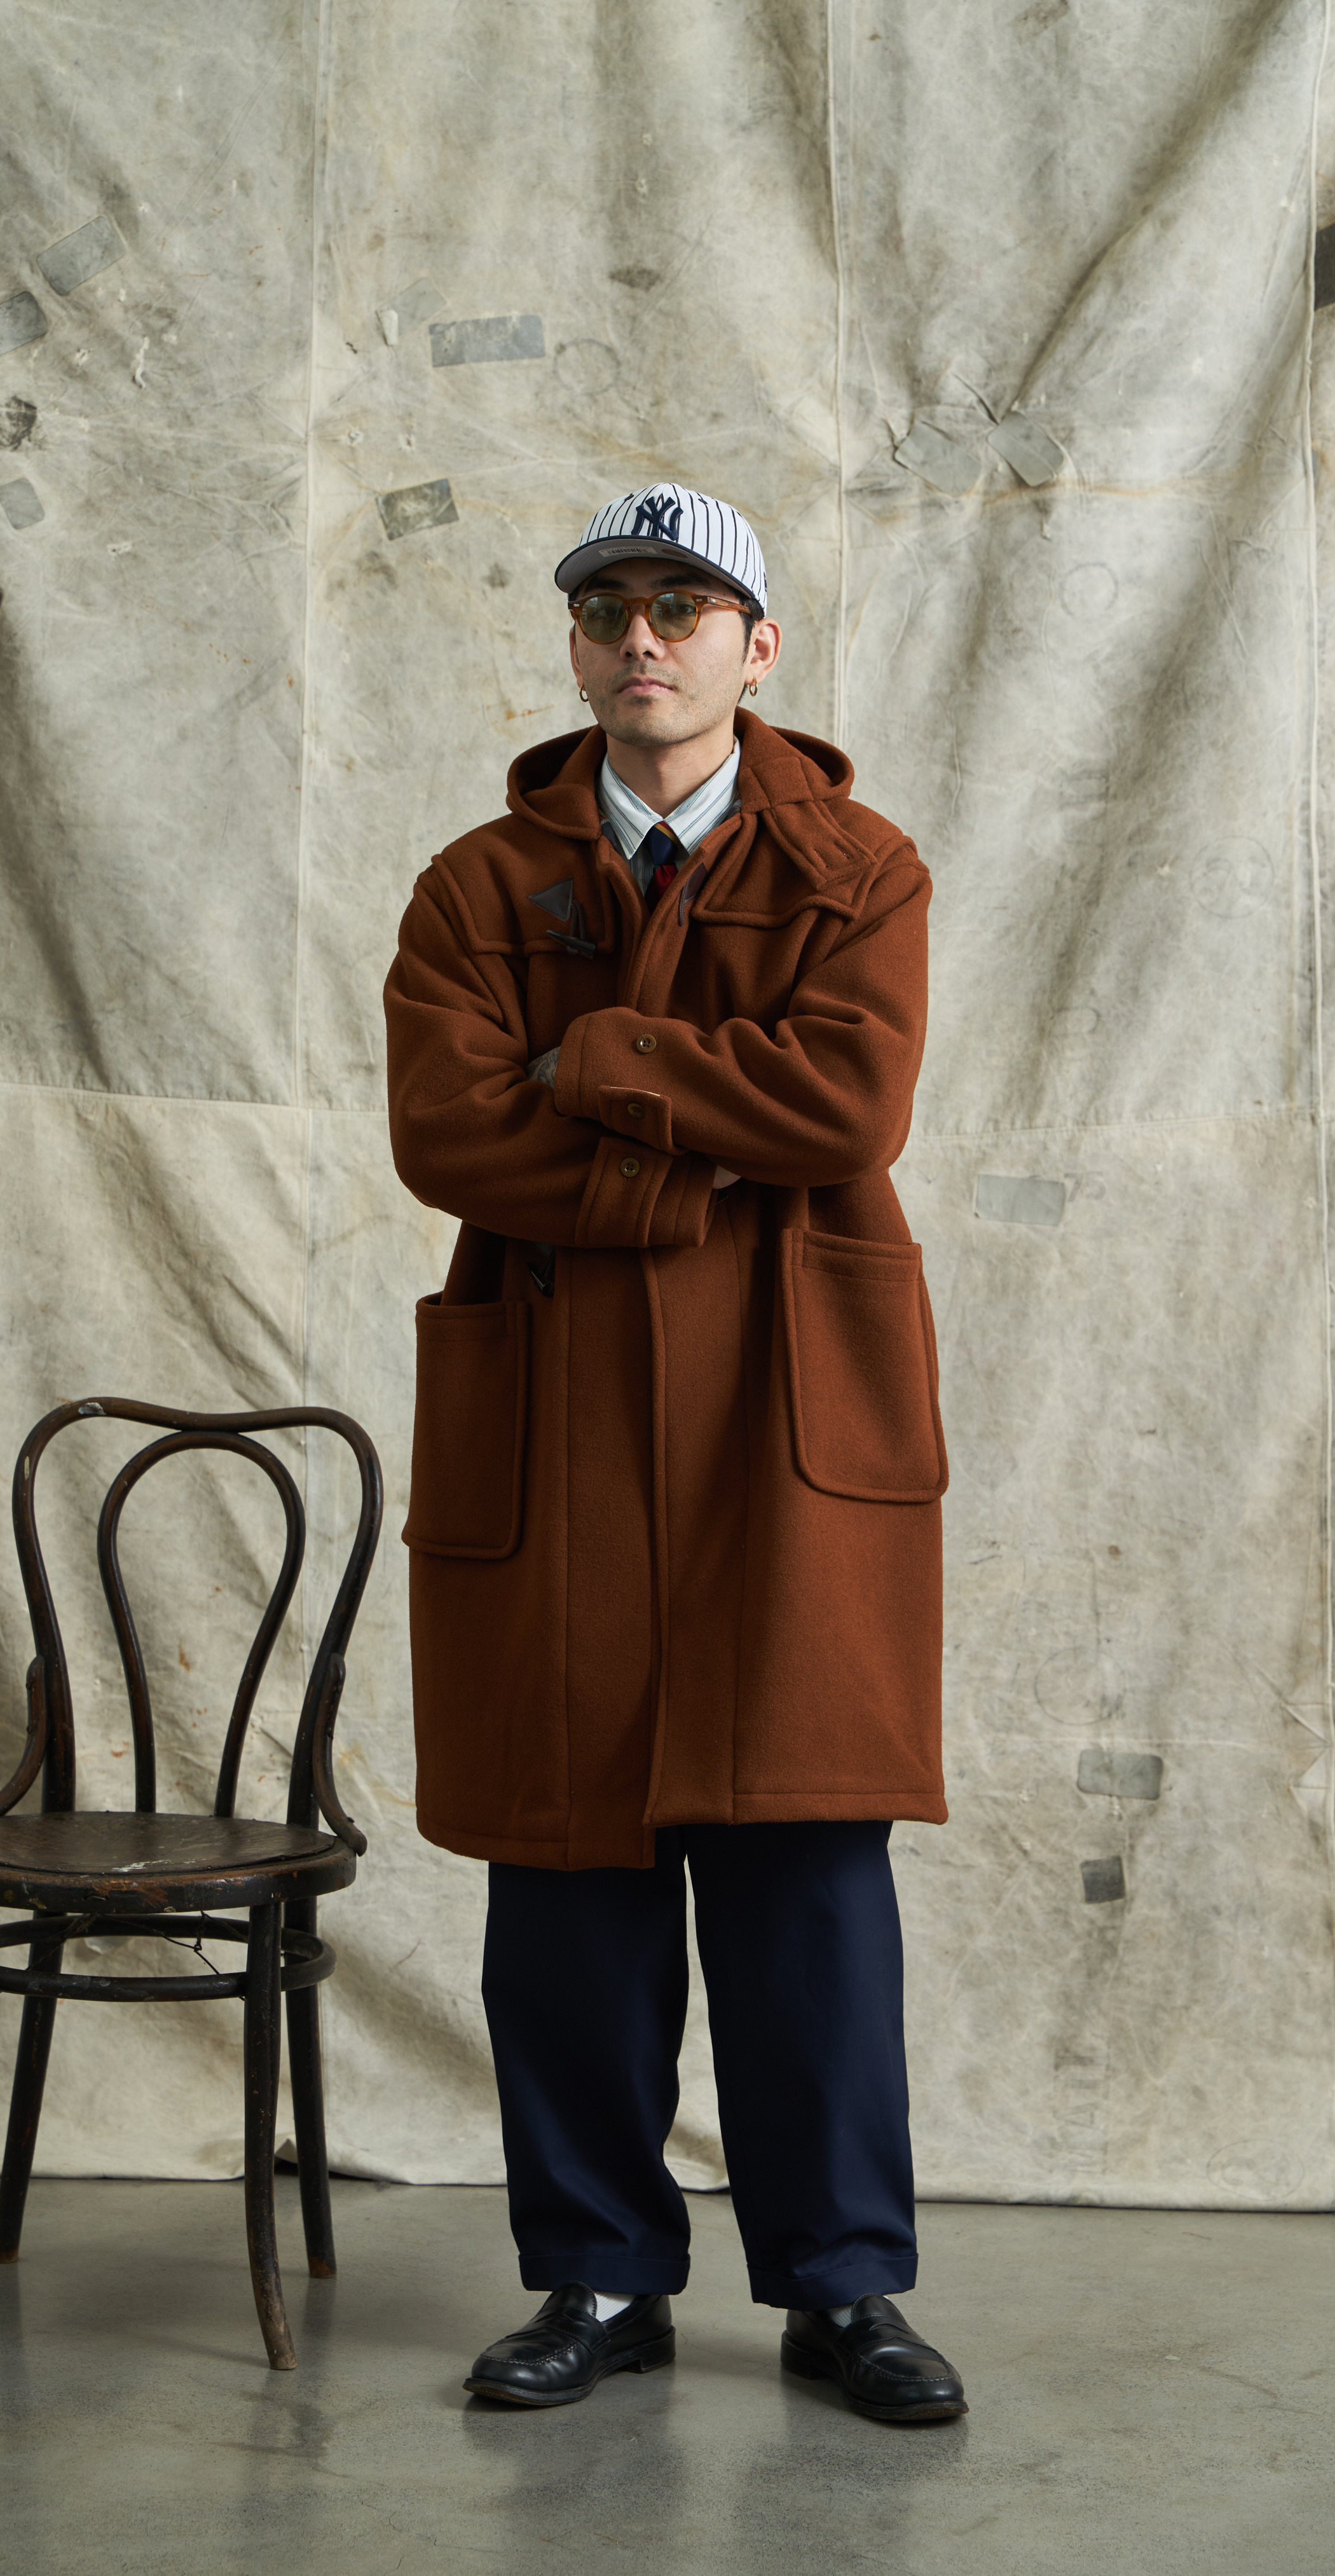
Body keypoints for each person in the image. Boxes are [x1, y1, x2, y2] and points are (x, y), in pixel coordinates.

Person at [383, 482, 966, 2424]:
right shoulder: (481, 886)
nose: (643, 636)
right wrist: (687, 1164)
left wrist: (605, 1061)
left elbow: (849, 1105)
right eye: (610, 607)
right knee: (568, 1866)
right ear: (577, 644)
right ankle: (599, 2272)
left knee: (806, 1867)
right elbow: (450, 1134)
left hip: (789, 1414)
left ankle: (844, 2288)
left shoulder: (860, 867)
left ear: (756, 643)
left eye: (685, 605)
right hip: (557, 1413)